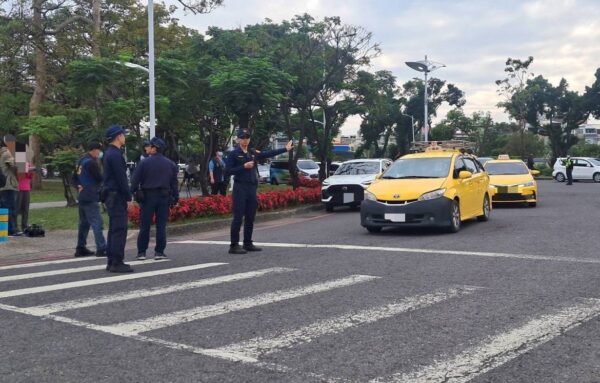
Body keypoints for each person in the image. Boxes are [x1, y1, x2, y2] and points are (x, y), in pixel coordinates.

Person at [226, 128, 293, 254]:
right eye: (243, 137)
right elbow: (228, 171)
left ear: (249, 139)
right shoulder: (234, 154)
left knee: (250, 216)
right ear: (238, 139)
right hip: (240, 187)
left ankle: (248, 243)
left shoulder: (252, 152)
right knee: (238, 217)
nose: (245, 140)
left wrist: (285, 149)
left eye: (247, 137)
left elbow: (267, 154)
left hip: (251, 188)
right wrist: (243, 167)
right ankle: (234, 245)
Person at [130, 137, 179, 260]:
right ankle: (159, 252)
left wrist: (132, 194)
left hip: (147, 197)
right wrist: (175, 198)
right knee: (161, 226)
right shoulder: (170, 164)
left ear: (155, 148)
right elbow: (174, 183)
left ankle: (141, 252)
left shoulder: (144, 163)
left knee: (145, 225)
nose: (148, 148)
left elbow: (135, 181)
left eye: (150, 146)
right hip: (164, 197)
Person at [103, 125, 133, 273]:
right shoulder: (115, 155)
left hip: (111, 195)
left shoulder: (109, 153)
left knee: (114, 229)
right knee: (119, 229)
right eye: (123, 135)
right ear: (118, 136)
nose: (124, 137)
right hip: (116, 196)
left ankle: (111, 261)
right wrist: (128, 196)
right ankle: (117, 261)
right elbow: (121, 178)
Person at [72, 142, 107, 257]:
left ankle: (80, 247)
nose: (99, 153)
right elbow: (99, 178)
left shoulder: (80, 161)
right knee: (97, 222)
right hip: (91, 195)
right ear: (94, 150)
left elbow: (74, 178)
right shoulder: (91, 163)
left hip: (82, 196)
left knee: (84, 223)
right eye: (99, 150)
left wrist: (79, 186)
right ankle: (102, 248)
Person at [0, 139, 20, 236]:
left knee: (3, 208)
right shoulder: (7, 153)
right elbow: (14, 167)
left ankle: (4, 229)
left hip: (2, 185)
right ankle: (11, 229)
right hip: (8, 185)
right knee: (10, 208)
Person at [16, 163, 34, 234]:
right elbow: (20, 174)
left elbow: (30, 176)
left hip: (27, 188)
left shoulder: (29, 163)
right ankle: (14, 227)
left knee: (26, 209)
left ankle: (24, 226)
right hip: (19, 188)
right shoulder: (19, 162)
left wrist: (31, 171)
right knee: (17, 208)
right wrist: (28, 170)